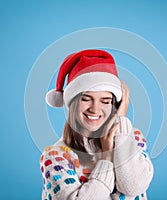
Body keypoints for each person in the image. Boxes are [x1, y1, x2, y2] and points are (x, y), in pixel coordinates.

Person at [40, 49, 154, 200]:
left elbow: (134, 186)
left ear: (116, 104)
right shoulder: (56, 156)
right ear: (73, 103)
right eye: (86, 99)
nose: (95, 109)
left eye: (105, 101)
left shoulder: (133, 137)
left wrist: (120, 125)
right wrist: (106, 157)